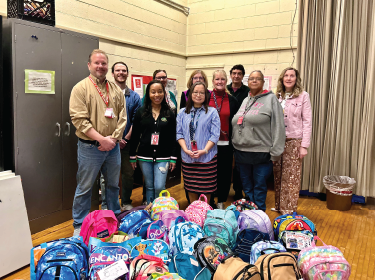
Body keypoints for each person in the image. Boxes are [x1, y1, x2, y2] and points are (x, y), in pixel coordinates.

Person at [69, 49, 126, 236]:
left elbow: (122, 117)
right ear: (89, 65)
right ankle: (79, 224)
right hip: (90, 148)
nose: (100, 66)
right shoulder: (80, 89)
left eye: (103, 63)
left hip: (113, 148)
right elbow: (79, 120)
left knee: (112, 186)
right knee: (85, 187)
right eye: (97, 63)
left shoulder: (116, 89)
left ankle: (113, 217)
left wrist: (114, 139)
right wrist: (102, 140)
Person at [232, 70, 285, 211]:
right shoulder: (245, 99)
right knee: (247, 187)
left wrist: (276, 152)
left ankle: (260, 216)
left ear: (263, 82)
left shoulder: (271, 99)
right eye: (251, 79)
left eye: (258, 79)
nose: (254, 81)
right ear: (247, 83)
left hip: (261, 152)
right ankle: (249, 214)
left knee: (259, 187)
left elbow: (279, 126)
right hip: (241, 152)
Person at [100, 62, 142, 211]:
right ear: (112, 73)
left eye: (124, 70)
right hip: (109, 143)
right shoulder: (105, 94)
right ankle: (106, 205)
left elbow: (136, 121)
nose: (121, 73)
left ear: (127, 73)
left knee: (128, 175)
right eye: (118, 70)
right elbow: (103, 119)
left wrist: (126, 138)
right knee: (107, 177)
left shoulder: (135, 97)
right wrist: (112, 139)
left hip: (127, 143)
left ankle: (126, 202)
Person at [272, 67, 312, 215]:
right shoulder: (277, 96)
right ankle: (278, 206)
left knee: (291, 177)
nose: (289, 78)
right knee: (278, 175)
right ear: (282, 79)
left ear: (296, 79)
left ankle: (288, 210)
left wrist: (304, 146)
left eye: (292, 76)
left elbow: (307, 121)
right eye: (286, 76)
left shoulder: (303, 96)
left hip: (294, 140)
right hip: (277, 141)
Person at [129, 80, 177, 203]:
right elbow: (135, 135)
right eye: (153, 92)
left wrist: (173, 157)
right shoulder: (141, 112)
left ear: (164, 93)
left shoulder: (169, 113)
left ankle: (160, 211)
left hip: (164, 156)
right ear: (148, 94)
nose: (157, 95)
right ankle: (151, 211)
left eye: (160, 92)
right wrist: (132, 155)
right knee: (149, 186)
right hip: (144, 155)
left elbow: (173, 137)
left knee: (160, 186)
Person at [176, 82, 220, 203]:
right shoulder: (182, 112)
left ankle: (204, 214)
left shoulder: (212, 112)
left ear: (206, 95)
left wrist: (204, 150)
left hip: (207, 158)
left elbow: (215, 135)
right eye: (195, 92)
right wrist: (185, 149)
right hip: (188, 158)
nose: (198, 95)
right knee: (191, 188)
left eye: (202, 93)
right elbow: (179, 134)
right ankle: (193, 213)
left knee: (206, 190)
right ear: (190, 94)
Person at [209, 70, 239, 209]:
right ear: (213, 81)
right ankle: (209, 200)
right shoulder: (206, 97)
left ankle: (221, 200)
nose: (219, 81)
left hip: (226, 143)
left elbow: (237, 122)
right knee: (210, 172)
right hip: (209, 143)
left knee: (225, 173)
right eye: (217, 79)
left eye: (222, 79)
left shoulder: (232, 100)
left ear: (226, 81)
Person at [227, 65, 250, 200]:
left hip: (242, 130)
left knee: (239, 164)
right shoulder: (226, 89)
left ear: (242, 76)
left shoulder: (247, 91)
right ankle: (222, 189)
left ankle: (238, 190)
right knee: (226, 163)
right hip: (226, 131)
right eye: (234, 73)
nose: (236, 76)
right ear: (230, 75)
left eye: (239, 74)